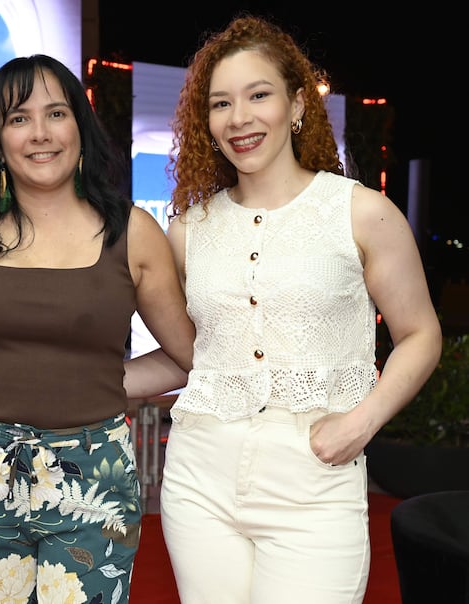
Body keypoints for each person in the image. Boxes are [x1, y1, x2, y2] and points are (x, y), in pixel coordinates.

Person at [128, 14, 443, 604]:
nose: (239, 117)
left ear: (297, 105)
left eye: (259, 95)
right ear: (206, 122)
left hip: (316, 480)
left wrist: (363, 421)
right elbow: (195, 356)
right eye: (221, 103)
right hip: (199, 479)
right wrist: (78, 384)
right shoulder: (189, 230)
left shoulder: (361, 212)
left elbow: (421, 334)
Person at [0, 54, 194, 603]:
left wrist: (97, 384)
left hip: (95, 471)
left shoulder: (132, 232)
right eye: (18, 118)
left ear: (80, 126)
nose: (40, 133)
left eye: (56, 113)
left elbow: (185, 356)